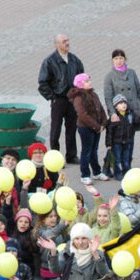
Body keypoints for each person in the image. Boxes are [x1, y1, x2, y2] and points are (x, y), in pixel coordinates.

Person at [38, 34, 84, 163]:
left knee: (71, 128)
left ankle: (71, 155)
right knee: (55, 130)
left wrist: (79, 95)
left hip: (72, 100)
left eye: (68, 40)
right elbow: (43, 83)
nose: (67, 43)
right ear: (57, 44)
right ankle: (55, 158)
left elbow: (81, 77)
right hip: (58, 99)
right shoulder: (50, 61)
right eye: (64, 41)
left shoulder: (74, 60)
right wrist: (52, 97)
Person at [67, 73, 108, 184]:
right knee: (87, 151)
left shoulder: (93, 94)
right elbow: (82, 115)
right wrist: (96, 126)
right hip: (86, 128)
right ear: (80, 84)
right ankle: (84, 174)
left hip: (97, 128)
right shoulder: (79, 97)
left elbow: (100, 108)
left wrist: (104, 121)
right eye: (86, 81)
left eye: (89, 80)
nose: (90, 82)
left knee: (94, 150)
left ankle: (96, 172)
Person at [103, 48, 140, 133]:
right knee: (120, 138)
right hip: (120, 113)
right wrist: (113, 113)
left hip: (133, 110)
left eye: (121, 58)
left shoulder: (132, 73)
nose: (118, 61)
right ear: (112, 60)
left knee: (131, 137)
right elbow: (108, 98)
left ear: (125, 59)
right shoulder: (109, 77)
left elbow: (139, 89)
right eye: (116, 58)